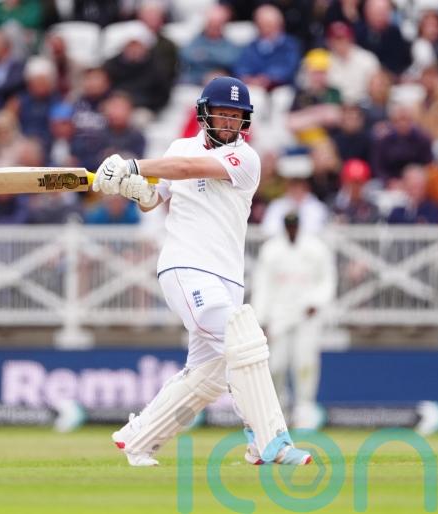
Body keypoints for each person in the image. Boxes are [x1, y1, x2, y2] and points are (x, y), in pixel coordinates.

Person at [92, 76, 312, 467]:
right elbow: (152, 198)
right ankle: (270, 442)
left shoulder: (246, 159)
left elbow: (186, 167)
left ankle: (138, 438)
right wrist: (128, 187)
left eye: (235, 116)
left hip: (228, 276)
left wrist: (133, 165)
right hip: (185, 266)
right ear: (204, 114)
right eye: (222, 114)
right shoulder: (179, 147)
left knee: (208, 375)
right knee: (243, 337)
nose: (228, 123)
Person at [251, 212, 336, 429]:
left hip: (306, 316)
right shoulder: (271, 250)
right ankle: (276, 413)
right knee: (276, 365)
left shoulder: (316, 248)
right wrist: (262, 317)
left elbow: (327, 279)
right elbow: (263, 285)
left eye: (295, 226)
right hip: (279, 316)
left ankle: (304, 411)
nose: (292, 230)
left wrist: (316, 302)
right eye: (288, 226)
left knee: (305, 363)